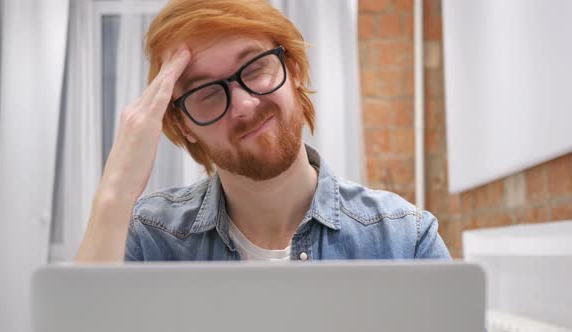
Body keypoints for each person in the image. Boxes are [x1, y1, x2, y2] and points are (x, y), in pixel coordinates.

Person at [76, 0, 451, 262]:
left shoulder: (405, 239)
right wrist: (114, 195)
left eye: (254, 68)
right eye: (206, 92)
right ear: (184, 125)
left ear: (296, 72)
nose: (243, 106)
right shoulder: (151, 239)